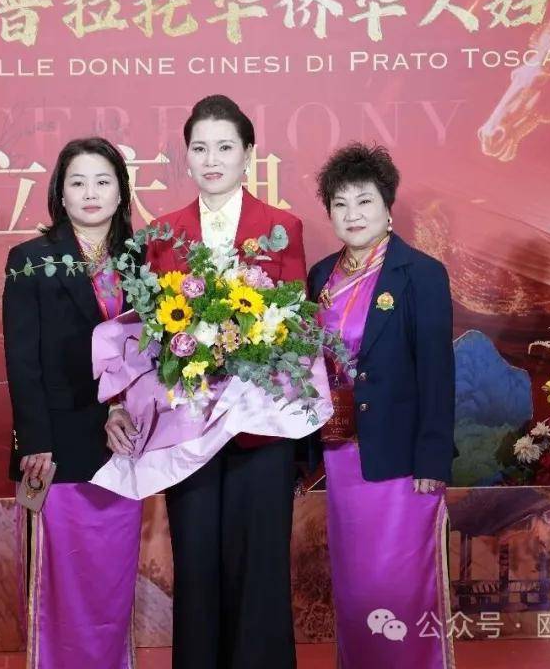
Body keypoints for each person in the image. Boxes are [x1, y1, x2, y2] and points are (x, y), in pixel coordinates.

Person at [145, 94, 306, 669]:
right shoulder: (162, 233)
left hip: (261, 429)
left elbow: (295, 326)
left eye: (224, 147)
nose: (211, 160)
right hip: (188, 428)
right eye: (200, 148)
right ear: (186, 157)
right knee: (196, 567)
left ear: (248, 154)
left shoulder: (282, 227)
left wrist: (247, 344)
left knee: (259, 567)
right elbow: (150, 333)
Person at [305, 142, 456, 669]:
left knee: (399, 586)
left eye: (364, 201)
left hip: (401, 463)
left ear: (388, 206)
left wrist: (433, 458)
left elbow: (437, 372)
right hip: (340, 457)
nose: (353, 214)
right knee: (354, 588)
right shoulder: (320, 277)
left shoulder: (421, 274)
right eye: (340, 204)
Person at [3, 137, 143, 669]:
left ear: (121, 192)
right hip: (57, 451)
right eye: (78, 182)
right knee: (62, 586)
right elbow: (22, 361)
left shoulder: (140, 260)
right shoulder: (30, 260)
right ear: (60, 193)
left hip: (125, 445)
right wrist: (34, 442)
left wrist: (129, 410)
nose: (90, 193)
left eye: (103, 181)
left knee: (112, 583)